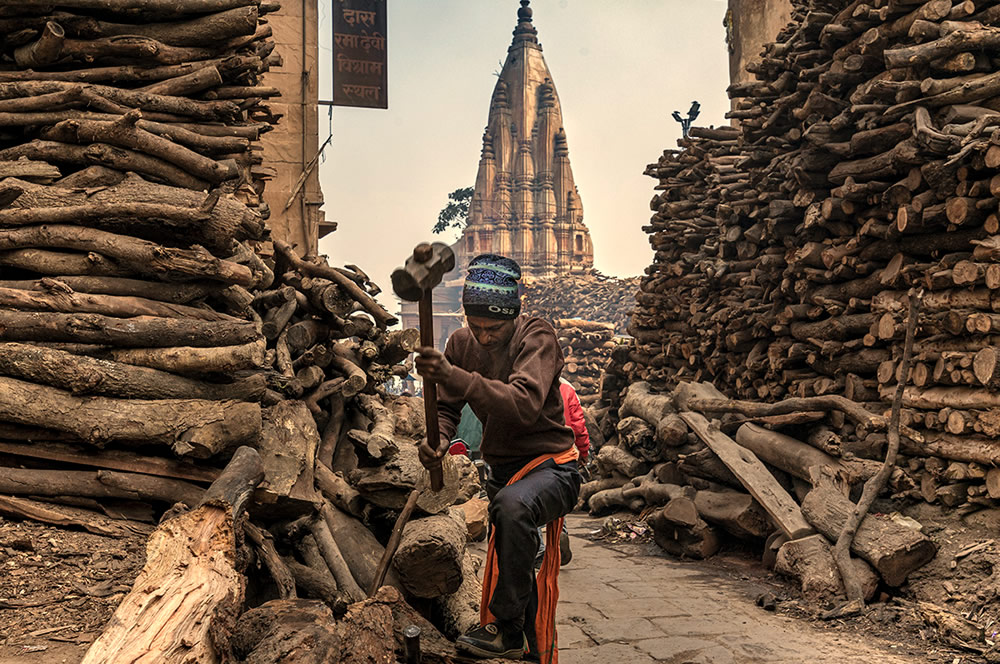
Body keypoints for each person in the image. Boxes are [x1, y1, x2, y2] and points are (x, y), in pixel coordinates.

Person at [415, 254, 581, 662]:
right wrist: (438, 438)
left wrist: (455, 377)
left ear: (514, 316)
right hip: (503, 472)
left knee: (512, 508)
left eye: (495, 328)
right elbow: (448, 407)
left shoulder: (536, 338)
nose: (485, 337)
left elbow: (523, 405)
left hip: (552, 467)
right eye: (476, 326)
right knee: (513, 544)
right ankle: (525, 643)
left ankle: (506, 629)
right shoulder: (460, 344)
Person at [535, 377, 590, 567]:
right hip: (564, 452)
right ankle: (560, 534)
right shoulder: (568, 388)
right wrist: (583, 452)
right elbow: (578, 425)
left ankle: (540, 548)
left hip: (535, 452)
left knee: (533, 499)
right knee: (558, 496)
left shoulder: (526, 382)